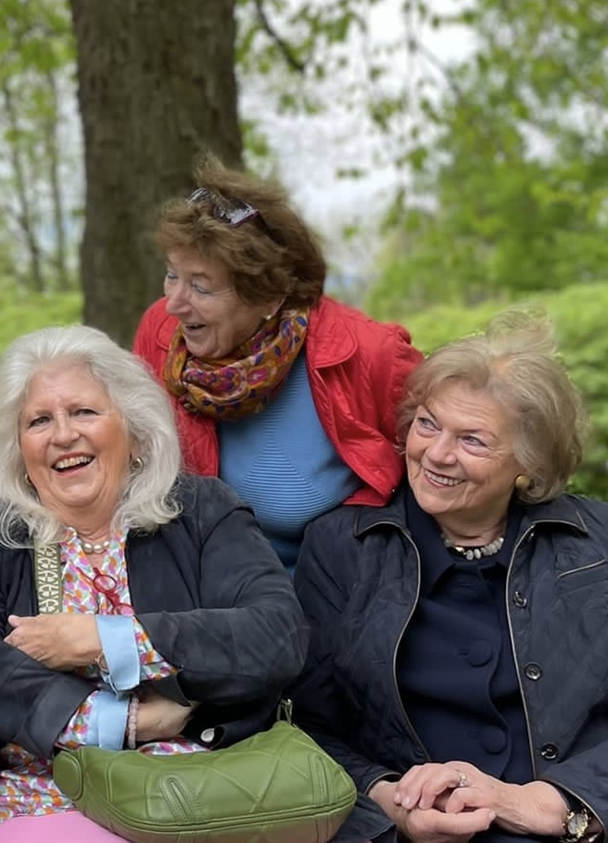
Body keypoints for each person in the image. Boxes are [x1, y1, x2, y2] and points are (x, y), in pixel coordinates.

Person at [290, 313, 608, 843]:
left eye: (472, 440)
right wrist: (389, 801)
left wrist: (548, 804)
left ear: (529, 462)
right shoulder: (344, 548)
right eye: (427, 424)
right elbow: (306, 730)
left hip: (591, 826)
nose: (436, 453)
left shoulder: (601, 540)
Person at [0, 325, 307, 843]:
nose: (63, 435)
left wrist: (103, 639)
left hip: (202, 799)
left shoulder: (201, 512)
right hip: (43, 808)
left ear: (135, 428)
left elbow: (276, 634)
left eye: (84, 412)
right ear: (18, 449)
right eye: (39, 420)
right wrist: (124, 721)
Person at [133, 161, 423, 570]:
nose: (174, 304)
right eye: (171, 275)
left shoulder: (369, 354)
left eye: (200, 286)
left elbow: (448, 466)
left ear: (270, 298)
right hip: (205, 593)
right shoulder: (160, 335)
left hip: (331, 597)